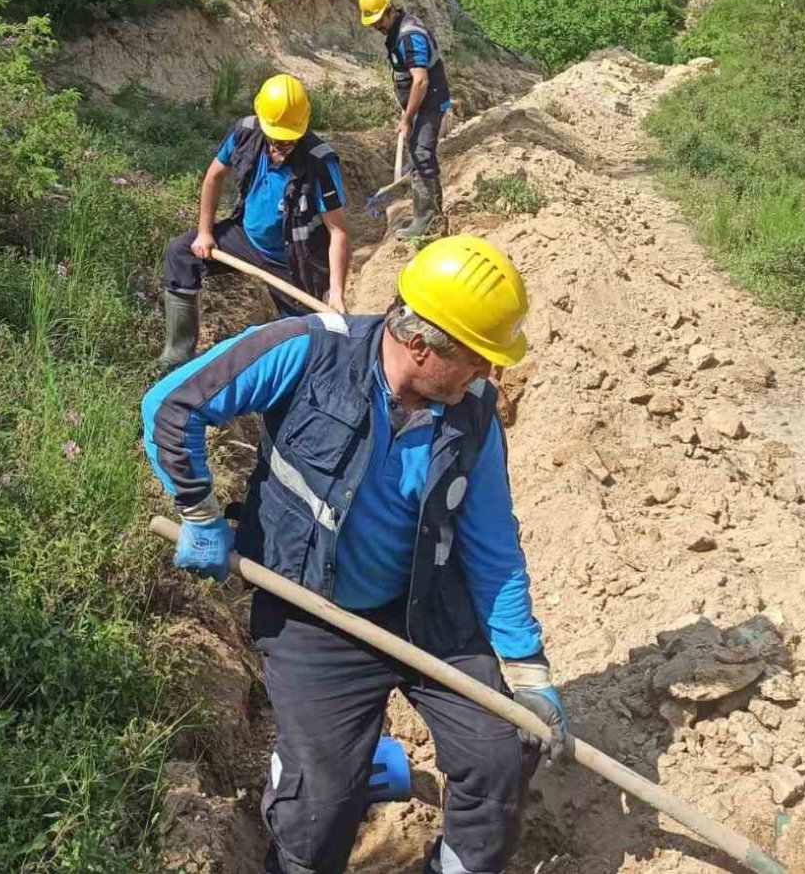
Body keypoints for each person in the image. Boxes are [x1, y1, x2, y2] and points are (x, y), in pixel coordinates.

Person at [142, 234, 567, 874]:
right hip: (312, 610)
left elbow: (492, 546)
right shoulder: (310, 349)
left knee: (502, 755)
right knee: (319, 804)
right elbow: (172, 407)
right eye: (478, 359)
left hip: (429, 615)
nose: (489, 375)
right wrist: (200, 512)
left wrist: (528, 670)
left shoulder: (474, 413)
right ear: (422, 346)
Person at [158, 73, 349, 370]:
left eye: (290, 139)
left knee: (307, 333)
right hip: (245, 239)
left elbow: (337, 232)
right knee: (180, 254)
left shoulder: (319, 161)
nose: (282, 145)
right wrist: (205, 233)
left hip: (294, 260)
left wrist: (336, 292)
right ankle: (177, 356)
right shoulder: (245, 134)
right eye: (277, 137)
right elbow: (213, 177)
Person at [358, 0, 450, 238]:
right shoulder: (397, 29)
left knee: (421, 155)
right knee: (420, 153)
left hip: (428, 103)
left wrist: (408, 117)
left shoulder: (409, 36)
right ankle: (431, 214)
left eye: (378, 20)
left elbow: (421, 81)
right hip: (419, 103)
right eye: (372, 22)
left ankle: (426, 222)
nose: (376, 26)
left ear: (390, 10)